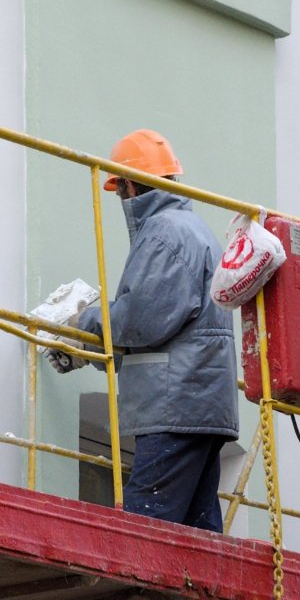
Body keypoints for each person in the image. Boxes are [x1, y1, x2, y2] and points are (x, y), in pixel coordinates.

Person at [66, 129, 237, 533]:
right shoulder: (192, 228)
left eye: (117, 189)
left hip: (175, 407)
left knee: (145, 529)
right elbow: (170, 324)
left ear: (128, 184)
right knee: (197, 533)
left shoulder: (164, 232)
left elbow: (143, 319)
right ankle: (196, 597)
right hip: (199, 403)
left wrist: (83, 327)